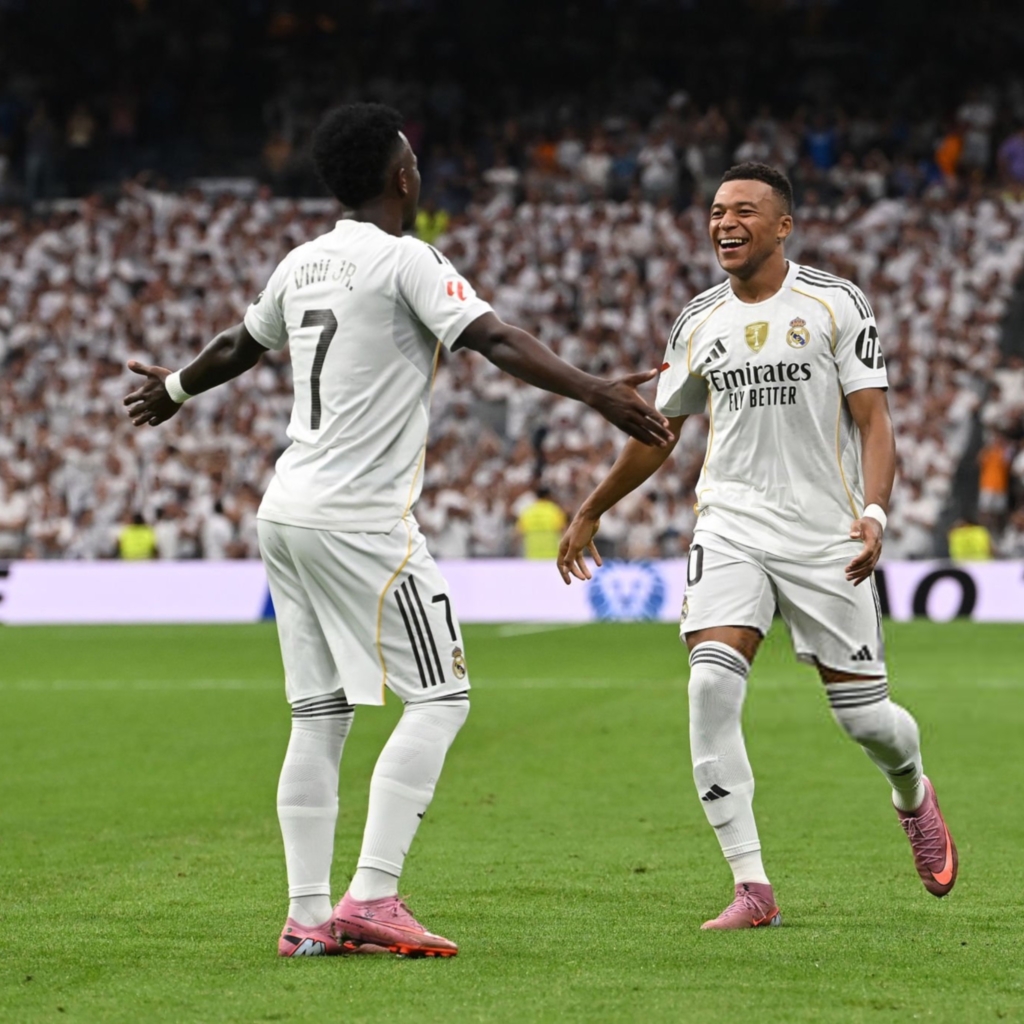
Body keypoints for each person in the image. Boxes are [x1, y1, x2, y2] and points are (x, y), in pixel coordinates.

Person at [123, 102, 672, 959]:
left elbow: (239, 343)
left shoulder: (302, 261)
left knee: (318, 714)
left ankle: (307, 918)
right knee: (442, 697)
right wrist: (597, 390)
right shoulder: (405, 259)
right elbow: (494, 338)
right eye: (413, 159)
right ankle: (372, 897)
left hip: (286, 510)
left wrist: (175, 389)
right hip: (359, 520)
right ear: (401, 176)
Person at [558, 161, 958, 930]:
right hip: (731, 525)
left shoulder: (836, 303)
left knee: (866, 720)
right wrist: (592, 508)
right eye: (716, 211)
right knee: (710, 684)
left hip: (825, 534)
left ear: (783, 226)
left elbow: (874, 421)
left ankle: (912, 792)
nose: (725, 222)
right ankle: (752, 886)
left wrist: (875, 513)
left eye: (744, 210)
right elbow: (661, 431)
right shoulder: (697, 320)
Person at [516, 486, 568, 559]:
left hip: (532, 555)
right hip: (551, 555)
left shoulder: (528, 511)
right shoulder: (554, 511)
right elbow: (564, 532)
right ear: (548, 496)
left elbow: (518, 534)